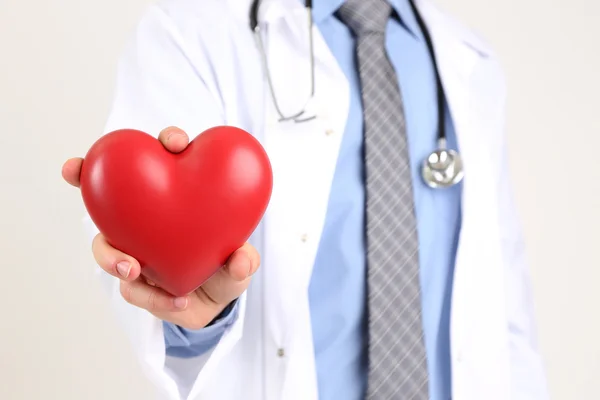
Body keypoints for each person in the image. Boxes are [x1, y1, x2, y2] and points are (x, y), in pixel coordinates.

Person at [61, 0, 549, 399]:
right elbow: (164, 286)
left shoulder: (468, 60)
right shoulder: (191, 35)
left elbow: (505, 309)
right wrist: (191, 306)